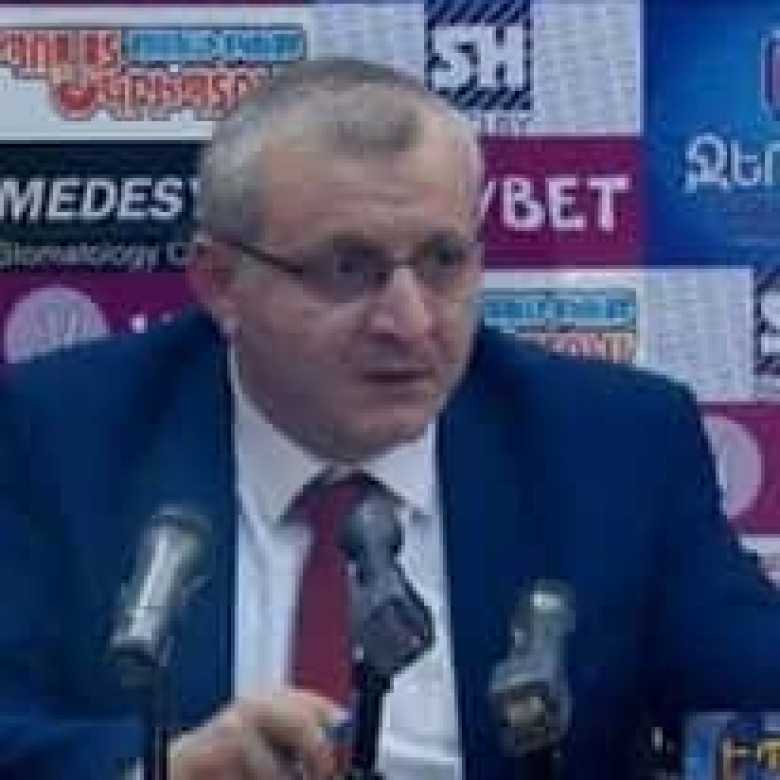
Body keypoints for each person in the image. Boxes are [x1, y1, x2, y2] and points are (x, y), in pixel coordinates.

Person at [0, 56, 779, 780]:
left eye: (443, 261)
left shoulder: (614, 445)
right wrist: (160, 768)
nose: (409, 321)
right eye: (348, 267)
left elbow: (756, 695)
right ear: (221, 282)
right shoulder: (63, 435)